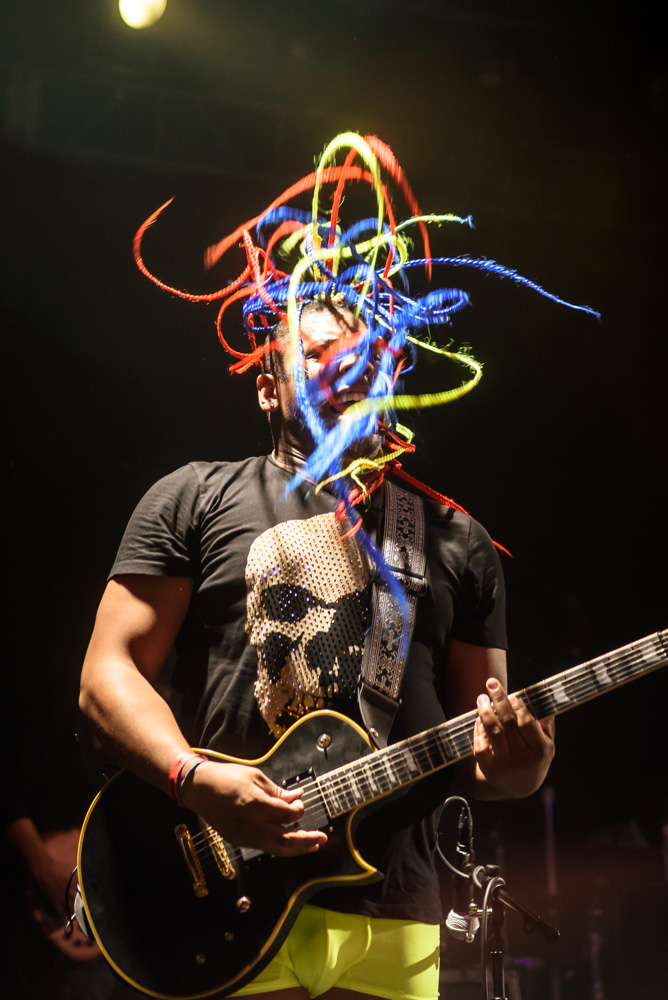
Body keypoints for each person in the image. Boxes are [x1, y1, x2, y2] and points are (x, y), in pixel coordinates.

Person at [79, 134, 568, 1000]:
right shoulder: (192, 497)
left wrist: (524, 759)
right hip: (218, 901)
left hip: (394, 922)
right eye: (319, 354)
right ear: (269, 384)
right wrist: (198, 783)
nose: (347, 366)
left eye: (365, 354)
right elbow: (106, 675)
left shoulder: (456, 538)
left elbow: (491, 764)